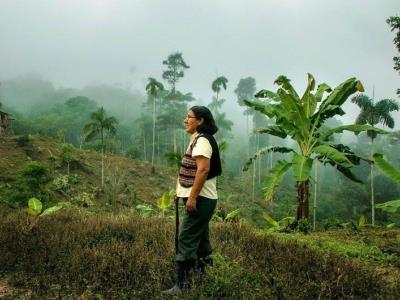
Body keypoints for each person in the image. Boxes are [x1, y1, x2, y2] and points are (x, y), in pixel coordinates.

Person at [162, 106, 222, 295]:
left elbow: (203, 170)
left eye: (189, 117)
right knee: (201, 240)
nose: (185, 120)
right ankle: (205, 278)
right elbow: (192, 171)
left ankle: (181, 286)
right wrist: (181, 192)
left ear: (201, 121)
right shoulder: (197, 139)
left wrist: (193, 197)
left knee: (186, 238)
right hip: (201, 198)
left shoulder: (202, 141)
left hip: (201, 199)